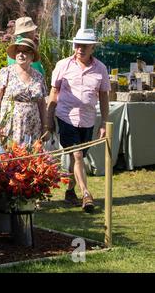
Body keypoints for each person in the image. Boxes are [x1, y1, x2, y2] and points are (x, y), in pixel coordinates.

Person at [46, 28, 110, 213]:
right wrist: (49, 119)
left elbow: (104, 96)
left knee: (79, 158)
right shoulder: (63, 65)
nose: (80, 48)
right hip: (66, 117)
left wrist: (104, 122)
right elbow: (54, 92)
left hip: (88, 120)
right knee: (77, 155)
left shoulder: (101, 69)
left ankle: (70, 191)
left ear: (92, 48)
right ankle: (86, 194)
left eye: (84, 45)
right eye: (77, 45)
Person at [0, 37, 48, 145]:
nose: (21, 54)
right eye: (18, 51)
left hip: (33, 126)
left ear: (32, 55)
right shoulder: (6, 73)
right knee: (9, 155)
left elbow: (42, 103)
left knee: (30, 158)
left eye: (25, 51)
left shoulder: (39, 76)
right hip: (10, 124)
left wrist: (45, 127)